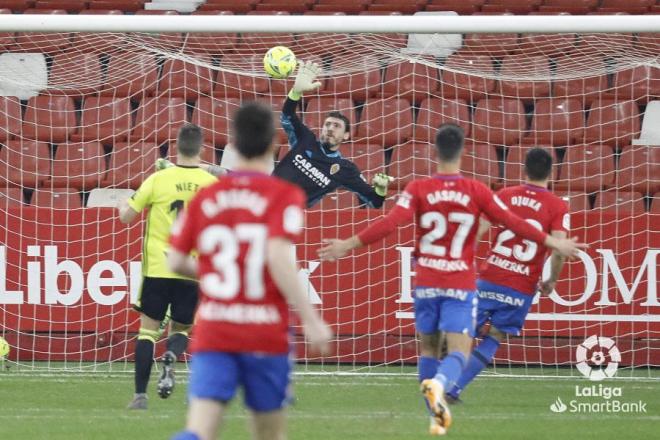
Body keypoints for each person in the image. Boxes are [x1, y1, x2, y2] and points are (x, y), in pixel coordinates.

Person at [318, 124, 585, 436]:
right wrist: (555, 244)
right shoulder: (477, 191)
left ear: (435, 151)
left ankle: (433, 414)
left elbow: (389, 223)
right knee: (459, 350)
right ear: (463, 152)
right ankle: (442, 387)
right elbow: (514, 222)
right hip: (459, 284)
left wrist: (346, 245)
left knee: (429, 350)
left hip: (426, 283)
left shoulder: (418, 189)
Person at [167, 102, 332, 440]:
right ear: (274, 143)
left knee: (199, 429)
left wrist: (212, 273)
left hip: (216, 330)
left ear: (233, 142)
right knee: (269, 434)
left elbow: (175, 260)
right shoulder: (284, 195)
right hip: (265, 334)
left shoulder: (208, 197)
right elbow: (277, 256)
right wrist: (312, 319)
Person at [445, 147, 570, 403]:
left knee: (462, 332)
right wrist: (552, 280)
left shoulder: (505, 195)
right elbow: (559, 250)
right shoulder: (557, 206)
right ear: (553, 172)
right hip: (521, 287)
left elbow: (478, 229)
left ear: (524, 169)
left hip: (489, 278)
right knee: (495, 336)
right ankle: (454, 389)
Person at [118, 124, 218, 410]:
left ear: (176, 147)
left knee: (148, 331)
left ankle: (139, 396)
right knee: (182, 330)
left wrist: (124, 202)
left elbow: (127, 217)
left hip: (158, 269)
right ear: (200, 149)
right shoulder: (210, 185)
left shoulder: (158, 179)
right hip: (191, 270)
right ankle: (172, 355)